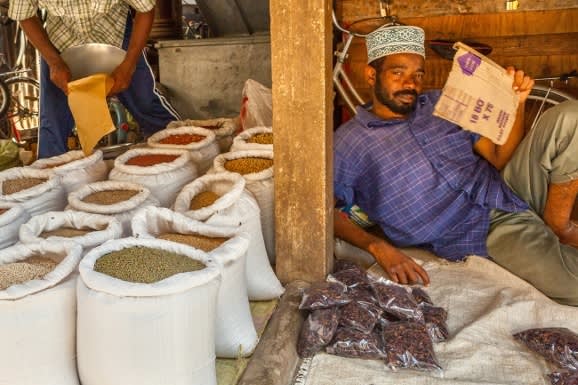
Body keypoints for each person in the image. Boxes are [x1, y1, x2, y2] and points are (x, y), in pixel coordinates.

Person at [333, 24, 578, 306]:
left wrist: (517, 103)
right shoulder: (349, 144)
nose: (411, 83)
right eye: (398, 73)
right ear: (371, 75)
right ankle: (548, 241)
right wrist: (378, 247)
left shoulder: (440, 103)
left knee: (570, 117)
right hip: (484, 229)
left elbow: (499, 157)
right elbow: (322, 211)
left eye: (418, 74)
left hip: (507, 187)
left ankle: (558, 225)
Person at [8, 0, 181, 158]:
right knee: (53, 121)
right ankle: (50, 183)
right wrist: (54, 62)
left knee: (144, 102)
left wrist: (129, 64)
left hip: (116, 32)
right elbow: (25, 15)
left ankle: (183, 150)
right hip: (60, 42)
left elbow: (146, 10)